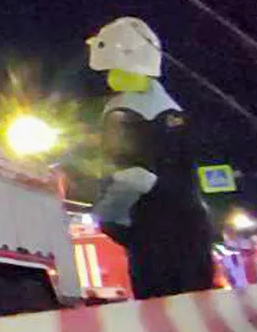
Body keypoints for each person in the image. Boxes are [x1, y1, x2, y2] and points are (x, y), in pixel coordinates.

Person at [88, 16, 215, 300]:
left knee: (162, 312)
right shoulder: (173, 110)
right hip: (193, 226)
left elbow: (134, 177)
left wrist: (106, 216)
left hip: (154, 232)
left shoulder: (124, 112)